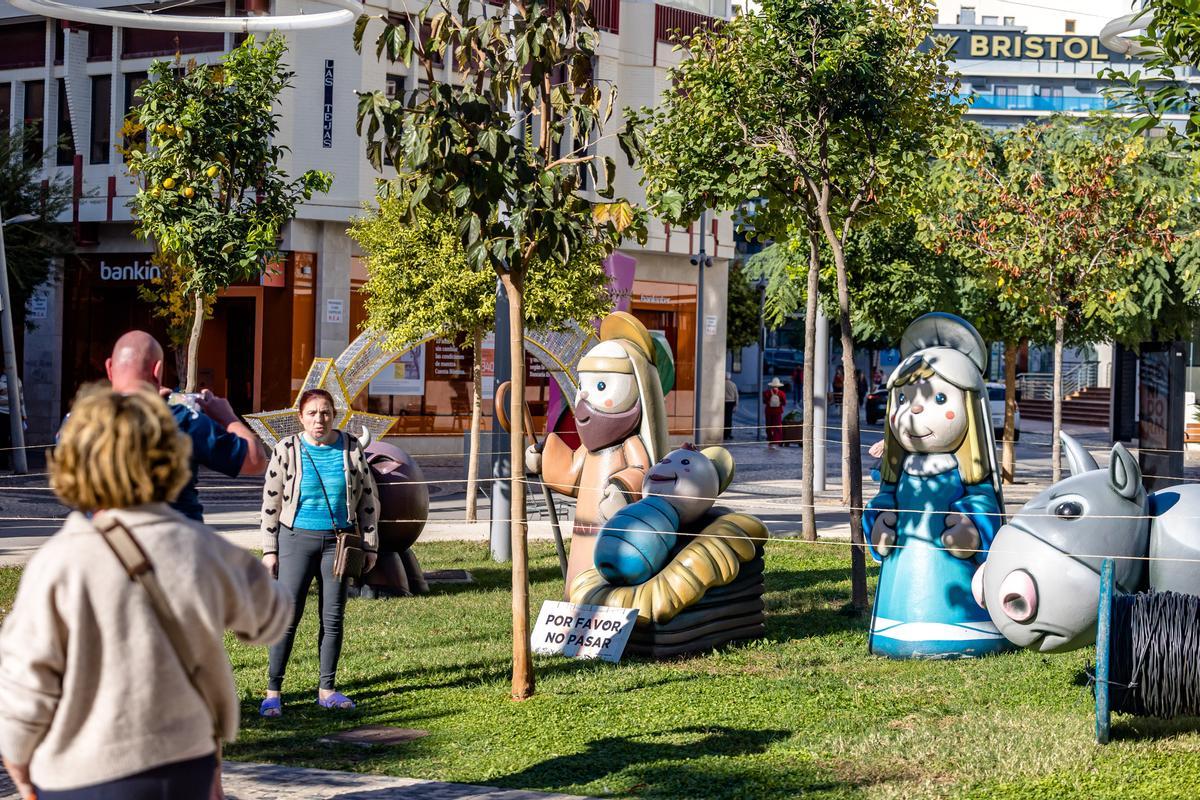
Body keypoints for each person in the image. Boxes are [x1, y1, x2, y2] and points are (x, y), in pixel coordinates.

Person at [0, 386, 292, 799]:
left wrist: (23, 772)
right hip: (182, 767)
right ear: (171, 459)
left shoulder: (57, 563)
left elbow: (24, 684)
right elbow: (272, 616)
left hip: (78, 774)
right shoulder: (201, 549)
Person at [259, 388, 380, 717]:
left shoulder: (351, 448)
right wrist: (270, 551)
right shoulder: (286, 449)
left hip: (338, 544)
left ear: (334, 416)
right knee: (287, 617)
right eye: (312, 413)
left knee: (333, 618)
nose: (319, 419)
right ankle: (273, 692)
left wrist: (370, 544)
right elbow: (271, 503)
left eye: (325, 412)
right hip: (295, 540)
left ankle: (327, 689)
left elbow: (368, 501)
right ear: (301, 417)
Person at [106, 331, 268, 521]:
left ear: (109, 367)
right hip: (173, 538)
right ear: (157, 371)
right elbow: (254, 461)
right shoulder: (182, 420)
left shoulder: (78, 421)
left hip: (102, 540)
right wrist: (227, 417)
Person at [0, 373, 24, 471]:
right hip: (2, 413)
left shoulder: (18, 381)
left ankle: (6, 462)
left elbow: (21, 399)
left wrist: (23, 414)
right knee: (3, 438)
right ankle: (3, 462)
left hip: (14, 414)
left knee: (10, 439)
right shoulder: (1, 381)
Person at [763, 377, 786, 447]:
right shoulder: (782, 393)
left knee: (769, 426)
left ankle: (770, 439)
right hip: (778, 412)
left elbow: (764, 401)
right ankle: (777, 440)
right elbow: (784, 403)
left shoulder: (766, 393)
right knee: (777, 426)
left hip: (769, 411)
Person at [723, 372, 739, 440]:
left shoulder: (722, 384)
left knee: (723, 418)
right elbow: (736, 395)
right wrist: (736, 404)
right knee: (729, 419)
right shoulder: (733, 384)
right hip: (731, 402)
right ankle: (728, 433)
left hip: (724, 402)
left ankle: (724, 434)